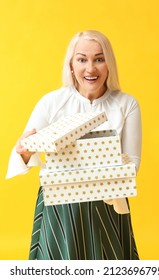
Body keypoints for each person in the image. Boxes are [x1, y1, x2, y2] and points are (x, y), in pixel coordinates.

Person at [6, 30, 142, 260]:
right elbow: (21, 155)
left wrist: (102, 179)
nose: (90, 69)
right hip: (59, 206)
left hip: (108, 203)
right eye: (82, 59)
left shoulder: (126, 104)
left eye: (99, 59)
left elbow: (133, 162)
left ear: (109, 64)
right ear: (71, 65)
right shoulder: (52, 102)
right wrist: (25, 152)